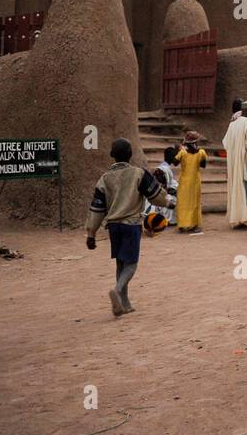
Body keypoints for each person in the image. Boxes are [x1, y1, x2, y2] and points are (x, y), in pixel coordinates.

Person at [86, 138, 173, 316]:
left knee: (120, 263)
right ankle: (117, 291)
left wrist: (91, 233)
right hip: (131, 225)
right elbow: (155, 195)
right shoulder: (138, 174)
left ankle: (124, 304)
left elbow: (97, 208)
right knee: (131, 264)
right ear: (130, 155)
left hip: (113, 226)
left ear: (112, 156)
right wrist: (168, 203)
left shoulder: (104, 178)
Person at [223, 100, 247, 229]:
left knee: (238, 187)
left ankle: (238, 218)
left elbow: (225, 143)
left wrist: (236, 151)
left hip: (235, 162)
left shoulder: (232, 124)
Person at [174, 131, 207, 234]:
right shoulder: (201, 152)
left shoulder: (182, 153)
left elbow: (175, 162)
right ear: (196, 142)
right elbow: (203, 165)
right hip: (195, 181)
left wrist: (178, 149)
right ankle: (195, 225)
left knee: (183, 201)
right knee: (195, 202)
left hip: (184, 181)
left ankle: (182, 225)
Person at [146, 146, 180, 227]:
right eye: (175, 157)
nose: (176, 159)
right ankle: (169, 220)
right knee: (176, 200)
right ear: (171, 157)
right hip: (160, 196)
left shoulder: (163, 168)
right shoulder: (163, 170)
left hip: (158, 195)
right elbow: (161, 188)